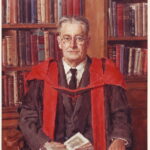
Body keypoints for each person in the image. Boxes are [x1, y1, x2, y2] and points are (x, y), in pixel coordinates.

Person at [19, 16, 132, 150]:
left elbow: (120, 114)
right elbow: (27, 117)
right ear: (60, 42)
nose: (72, 45)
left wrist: (119, 139)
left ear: (88, 42)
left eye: (79, 38)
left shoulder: (106, 73)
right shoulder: (42, 75)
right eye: (67, 38)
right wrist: (44, 144)